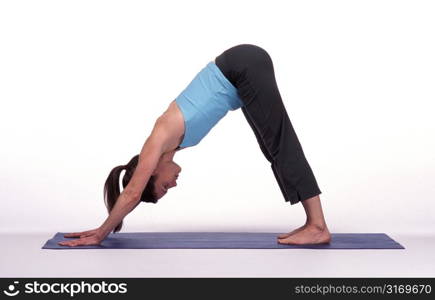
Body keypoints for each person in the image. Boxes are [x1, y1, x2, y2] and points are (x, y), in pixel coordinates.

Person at [58, 44, 331, 247]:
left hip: (241, 66)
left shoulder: (157, 139)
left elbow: (131, 192)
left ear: (151, 171)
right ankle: (312, 223)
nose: (173, 185)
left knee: (281, 141)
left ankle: (318, 226)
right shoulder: (172, 146)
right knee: (272, 146)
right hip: (240, 73)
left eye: (164, 186)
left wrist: (101, 232)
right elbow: (134, 193)